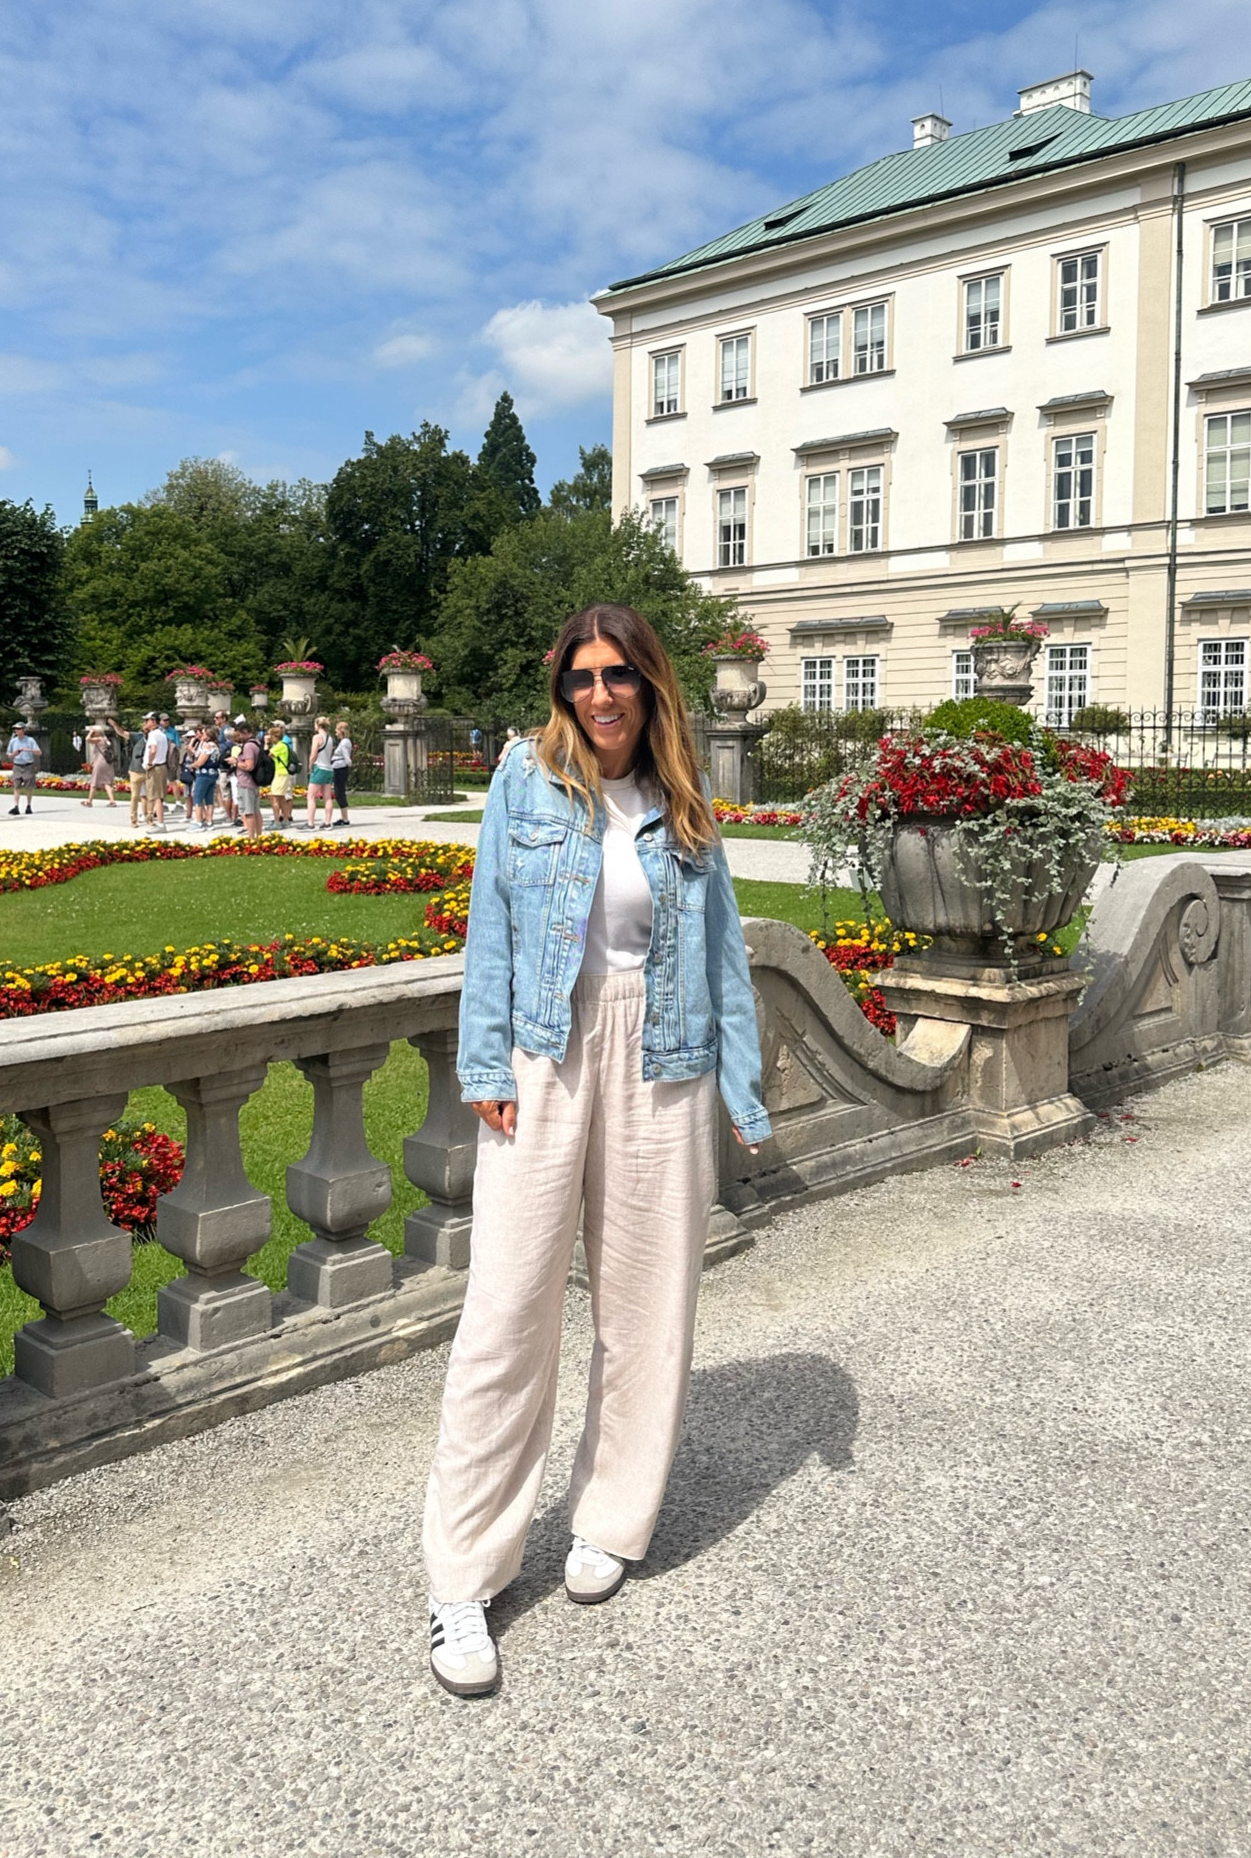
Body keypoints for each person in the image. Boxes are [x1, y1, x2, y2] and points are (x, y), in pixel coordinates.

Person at [420, 603, 771, 1698]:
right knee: (507, 1309)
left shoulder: (681, 800)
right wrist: (483, 1065)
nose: (601, 694)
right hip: (545, 1052)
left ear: (650, 684)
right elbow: (490, 925)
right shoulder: (526, 778)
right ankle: (461, 1577)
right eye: (581, 676)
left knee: (646, 1305)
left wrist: (743, 1089)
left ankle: (613, 1516)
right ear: (561, 687)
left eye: (619, 675)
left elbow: (723, 955)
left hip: (664, 1054)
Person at [230, 721, 263, 836]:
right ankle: (258, 836)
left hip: (246, 782)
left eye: (239, 734)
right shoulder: (257, 743)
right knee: (255, 811)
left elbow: (249, 766)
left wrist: (235, 762)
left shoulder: (248, 746)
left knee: (248, 812)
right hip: (253, 782)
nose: (238, 737)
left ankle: (251, 838)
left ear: (245, 732)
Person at [188, 725, 219, 829]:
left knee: (198, 797)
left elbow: (201, 761)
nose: (202, 734)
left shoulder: (208, 746)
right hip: (213, 773)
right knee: (209, 798)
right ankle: (209, 820)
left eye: (204, 733)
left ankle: (198, 821)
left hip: (204, 774)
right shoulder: (216, 746)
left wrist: (192, 765)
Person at [6, 723, 40, 816]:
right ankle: (16, 806)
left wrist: (29, 750)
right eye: (16, 729)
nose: (17, 731)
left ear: (23, 730)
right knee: (16, 786)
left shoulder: (30, 740)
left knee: (29, 786)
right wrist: (14, 754)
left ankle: (28, 806)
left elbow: (39, 752)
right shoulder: (13, 741)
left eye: (19, 729)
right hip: (17, 765)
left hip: (28, 765)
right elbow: (8, 754)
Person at [324, 716, 353, 827]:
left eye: (336, 730)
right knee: (338, 792)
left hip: (340, 768)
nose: (335, 732)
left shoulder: (344, 742)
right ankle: (343, 816)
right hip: (338, 767)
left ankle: (345, 818)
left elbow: (346, 756)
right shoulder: (344, 741)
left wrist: (348, 763)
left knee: (339, 792)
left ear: (341, 731)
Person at [305, 719, 334, 828]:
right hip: (328, 768)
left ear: (317, 725)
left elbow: (313, 754)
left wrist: (310, 766)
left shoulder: (317, 737)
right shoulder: (330, 738)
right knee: (327, 797)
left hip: (319, 767)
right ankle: (327, 822)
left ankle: (310, 823)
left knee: (311, 796)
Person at [84, 723, 118, 809]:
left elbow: (87, 739)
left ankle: (89, 801)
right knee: (107, 782)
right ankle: (112, 801)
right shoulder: (106, 739)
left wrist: (90, 733)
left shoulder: (99, 739)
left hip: (100, 762)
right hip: (107, 762)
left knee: (94, 781)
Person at [128, 715, 153, 828]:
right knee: (135, 796)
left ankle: (149, 818)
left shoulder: (154, 737)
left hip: (148, 770)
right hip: (136, 770)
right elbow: (123, 733)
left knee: (149, 797)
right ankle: (134, 819)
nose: (144, 726)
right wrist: (115, 726)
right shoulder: (138, 737)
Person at [267, 723, 295, 827]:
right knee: (282, 798)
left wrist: (267, 744)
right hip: (284, 773)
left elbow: (268, 754)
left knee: (275, 798)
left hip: (279, 773)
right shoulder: (285, 745)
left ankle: (277, 820)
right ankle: (286, 819)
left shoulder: (279, 746)